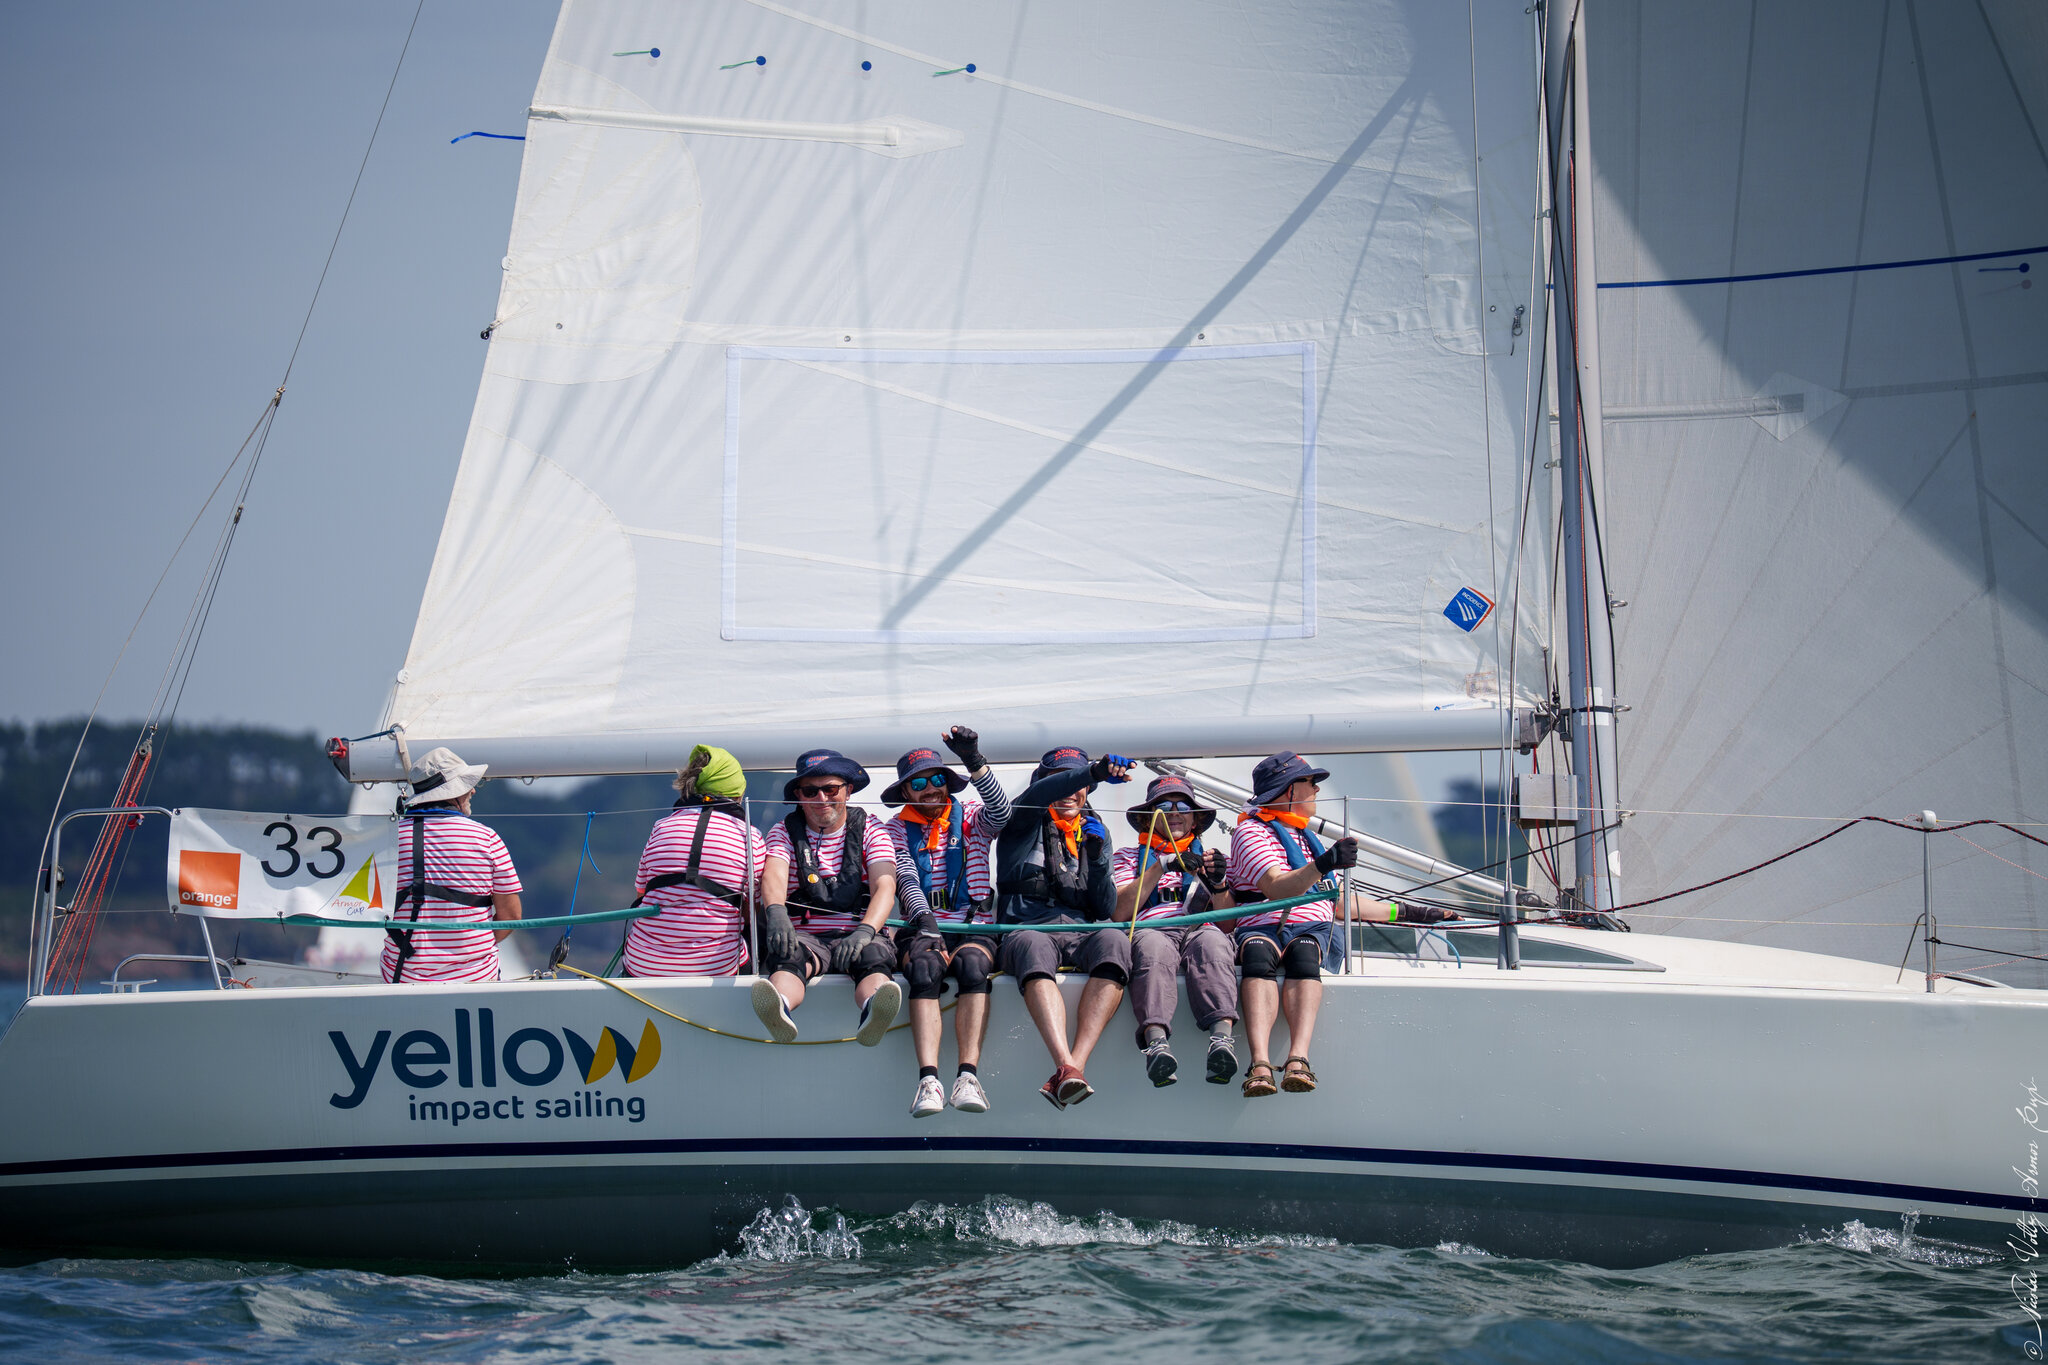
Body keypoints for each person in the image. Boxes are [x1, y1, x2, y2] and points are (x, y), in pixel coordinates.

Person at [993, 746, 1134, 1108]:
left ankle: (1074, 1068)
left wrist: (1098, 858)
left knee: (1115, 939)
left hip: (1081, 934)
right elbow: (1040, 793)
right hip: (1028, 930)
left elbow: (1104, 907)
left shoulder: (1095, 828)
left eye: (1076, 783)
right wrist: (1093, 772)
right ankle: (1064, 1062)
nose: (1070, 791)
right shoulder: (1023, 818)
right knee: (1033, 944)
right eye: (1061, 780)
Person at [886, 726, 1012, 1117]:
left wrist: (974, 760)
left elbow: (1002, 813)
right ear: (905, 792)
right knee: (924, 968)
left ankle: (967, 1077)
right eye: (918, 783)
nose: (930, 789)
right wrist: (925, 919)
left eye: (937, 780)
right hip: (921, 926)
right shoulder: (894, 828)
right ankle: (928, 1081)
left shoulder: (972, 816)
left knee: (973, 965)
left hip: (974, 927)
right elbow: (905, 875)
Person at [754, 749, 902, 1047]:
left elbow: (885, 886)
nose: (821, 798)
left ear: (848, 790)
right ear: (799, 795)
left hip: (860, 934)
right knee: (788, 954)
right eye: (811, 791)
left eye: (831, 789)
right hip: (806, 936)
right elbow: (774, 875)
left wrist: (865, 931)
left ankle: (874, 1007)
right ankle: (780, 1005)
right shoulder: (783, 832)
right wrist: (776, 911)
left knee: (873, 956)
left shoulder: (873, 829)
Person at [1112, 775, 1239, 1088]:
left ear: (1195, 818)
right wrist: (1162, 866)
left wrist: (1219, 884)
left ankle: (1222, 1041)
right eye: (1164, 807)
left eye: (1183, 807)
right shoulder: (1126, 857)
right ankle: (1156, 1045)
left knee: (1214, 942)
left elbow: (1227, 925)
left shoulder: (1214, 860)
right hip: (1152, 928)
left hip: (1200, 928)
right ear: (1148, 818)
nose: (1174, 813)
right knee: (1152, 947)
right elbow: (1119, 912)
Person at [384, 747, 522, 983]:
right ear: (452, 793)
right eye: (467, 785)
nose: (473, 790)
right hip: (476, 978)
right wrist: (470, 949)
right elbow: (511, 916)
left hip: (403, 977)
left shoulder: (388, 840)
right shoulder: (487, 838)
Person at [625, 744, 764, 978]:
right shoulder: (751, 837)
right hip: (716, 968)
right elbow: (752, 911)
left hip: (644, 965)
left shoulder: (661, 827)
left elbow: (642, 894)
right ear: (738, 794)